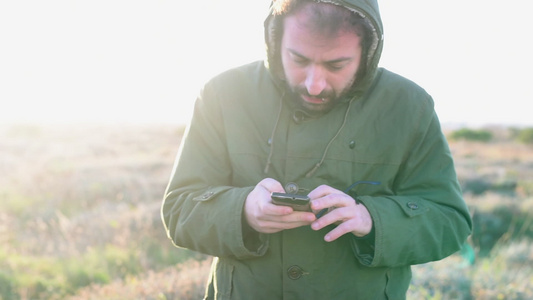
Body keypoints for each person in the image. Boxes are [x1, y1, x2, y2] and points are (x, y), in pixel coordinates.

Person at [161, 0, 472, 299]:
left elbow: (450, 221)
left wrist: (372, 219)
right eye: (298, 60)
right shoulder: (222, 94)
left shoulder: (409, 105)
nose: (314, 84)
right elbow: (178, 210)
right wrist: (243, 210)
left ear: (368, 50)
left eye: (336, 65)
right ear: (275, 39)